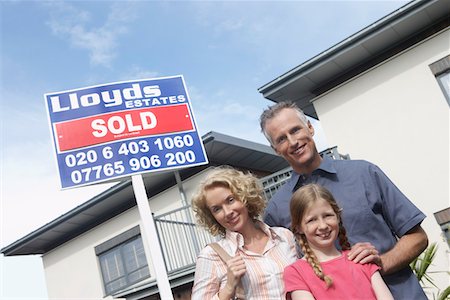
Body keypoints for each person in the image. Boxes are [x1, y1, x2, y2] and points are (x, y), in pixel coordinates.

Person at [259, 101, 428, 299]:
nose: (293, 141)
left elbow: (418, 237)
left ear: (310, 128)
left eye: (295, 130)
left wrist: (378, 265)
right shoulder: (277, 209)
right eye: (282, 139)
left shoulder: (364, 173)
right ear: (275, 149)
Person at [191, 166, 298, 299]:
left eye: (230, 200)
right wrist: (228, 288)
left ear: (245, 196)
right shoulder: (211, 255)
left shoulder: (284, 236)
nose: (228, 212)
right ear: (212, 216)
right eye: (217, 209)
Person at [284, 183, 393, 300]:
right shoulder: (296, 272)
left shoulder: (361, 258)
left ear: (338, 216)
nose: (322, 225)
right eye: (312, 220)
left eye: (327, 215)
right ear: (298, 228)